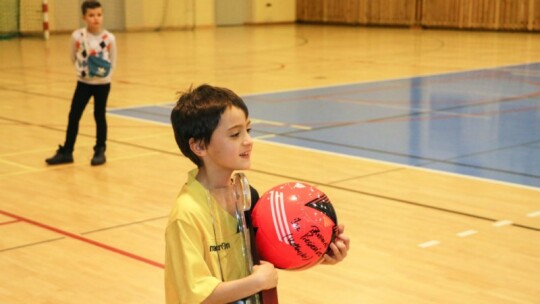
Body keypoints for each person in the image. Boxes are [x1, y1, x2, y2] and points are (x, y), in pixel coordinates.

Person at [165, 84, 350, 304]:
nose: (248, 141)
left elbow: (268, 253)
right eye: (235, 134)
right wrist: (256, 283)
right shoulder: (187, 215)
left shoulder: (246, 196)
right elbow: (196, 296)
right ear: (199, 146)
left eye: (248, 130)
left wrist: (317, 253)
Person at [45, 0, 116, 166]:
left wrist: (103, 76)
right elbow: (72, 56)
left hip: (103, 84)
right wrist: (84, 72)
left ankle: (100, 150)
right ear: (84, 17)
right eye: (91, 15)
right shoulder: (77, 36)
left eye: (99, 15)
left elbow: (113, 61)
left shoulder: (109, 38)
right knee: (74, 115)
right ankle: (67, 151)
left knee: (99, 116)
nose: (96, 19)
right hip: (83, 83)